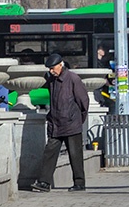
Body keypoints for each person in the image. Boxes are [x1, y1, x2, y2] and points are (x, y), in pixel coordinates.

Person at [30, 53, 89, 192]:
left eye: (53, 68)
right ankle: (44, 182)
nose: (51, 71)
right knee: (49, 153)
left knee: (75, 155)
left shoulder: (73, 78)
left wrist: (78, 119)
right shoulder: (52, 80)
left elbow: (83, 101)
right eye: (49, 69)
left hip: (71, 123)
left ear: (61, 65)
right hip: (55, 124)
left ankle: (79, 183)